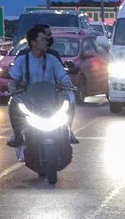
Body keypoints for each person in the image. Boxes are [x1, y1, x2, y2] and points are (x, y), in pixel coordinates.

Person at [6, 25, 75, 159]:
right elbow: (13, 79)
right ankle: (18, 135)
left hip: (51, 98)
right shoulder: (22, 60)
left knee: (70, 99)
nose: (46, 42)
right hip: (29, 98)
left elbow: (62, 76)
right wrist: (13, 90)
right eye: (42, 39)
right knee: (13, 103)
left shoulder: (52, 59)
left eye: (47, 39)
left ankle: (68, 130)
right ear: (33, 42)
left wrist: (67, 84)